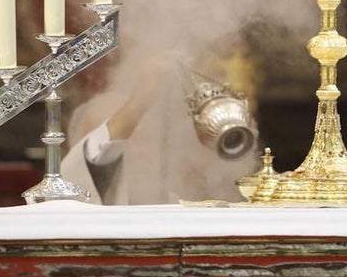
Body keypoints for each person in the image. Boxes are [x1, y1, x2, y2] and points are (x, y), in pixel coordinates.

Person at [61, 55, 258, 205]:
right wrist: (142, 98)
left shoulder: (183, 199)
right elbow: (90, 159)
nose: (137, 153)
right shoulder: (69, 198)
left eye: (144, 139)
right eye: (118, 143)